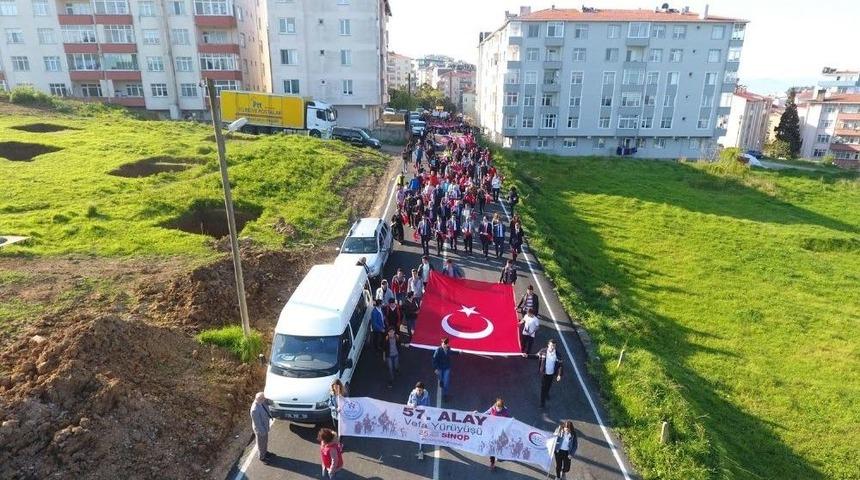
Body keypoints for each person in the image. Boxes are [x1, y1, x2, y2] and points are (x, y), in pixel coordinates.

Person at [482, 398, 511, 470]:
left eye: (500, 408)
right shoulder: (492, 409)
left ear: (502, 407)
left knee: (500, 444)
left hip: (500, 431)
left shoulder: (505, 411)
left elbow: (508, 420)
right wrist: (477, 414)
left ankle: (498, 455)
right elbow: (485, 414)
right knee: (493, 446)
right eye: (497, 407)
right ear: (496, 406)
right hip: (493, 431)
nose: (498, 409)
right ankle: (492, 463)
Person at [406, 382, 431, 459]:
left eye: (420, 390)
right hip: (415, 417)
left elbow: (429, 406)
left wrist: (427, 415)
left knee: (421, 434)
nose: (419, 392)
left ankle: (421, 451)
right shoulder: (412, 394)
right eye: (418, 390)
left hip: (422, 417)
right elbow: (408, 404)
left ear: (423, 390)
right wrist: (412, 405)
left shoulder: (426, 396)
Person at [537, 339, 564, 408]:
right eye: (551, 345)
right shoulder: (543, 351)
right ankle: (542, 403)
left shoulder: (558, 355)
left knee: (548, 386)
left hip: (551, 374)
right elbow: (536, 356)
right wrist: (527, 355)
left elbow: (560, 366)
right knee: (543, 388)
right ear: (548, 345)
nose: (552, 347)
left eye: (554, 346)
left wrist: (559, 375)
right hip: (544, 373)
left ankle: (546, 394)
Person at [250, 392, 273, 462]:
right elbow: (258, 424)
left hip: (265, 426)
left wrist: (268, 400)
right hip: (260, 430)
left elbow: (271, 403)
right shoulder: (255, 410)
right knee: (261, 444)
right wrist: (263, 432)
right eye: (264, 398)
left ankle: (265, 452)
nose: (265, 399)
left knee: (265, 442)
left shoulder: (262, 402)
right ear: (259, 399)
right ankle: (262, 457)